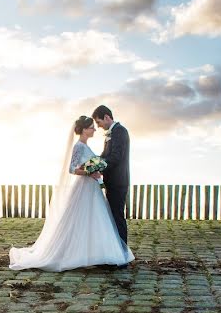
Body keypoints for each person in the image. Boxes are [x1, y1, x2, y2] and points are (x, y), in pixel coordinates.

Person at [9, 115, 135, 272]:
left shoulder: (85, 145)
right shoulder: (79, 147)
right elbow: (72, 168)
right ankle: (74, 253)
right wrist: (89, 172)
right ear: (83, 130)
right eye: (91, 127)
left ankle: (98, 253)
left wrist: (95, 170)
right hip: (84, 187)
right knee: (80, 219)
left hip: (92, 188)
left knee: (95, 219)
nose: (94, 129)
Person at [93, 105, 130, 245]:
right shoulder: (111, 133)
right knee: (113, 217)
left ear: (106, 117)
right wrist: (93, 162)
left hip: (118, 182)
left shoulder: (120, 131)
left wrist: (98, 165)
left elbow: (116, 157)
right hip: (111, 181)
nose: (98, 126)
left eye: (99, 122)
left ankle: (123, 253)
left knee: (117, 216)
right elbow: (105, 155)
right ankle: (117, 250)